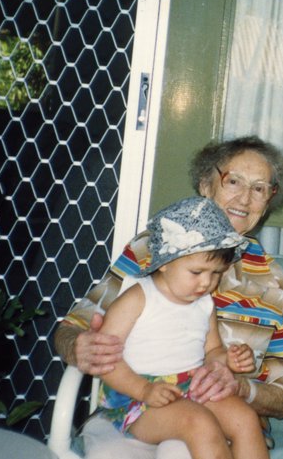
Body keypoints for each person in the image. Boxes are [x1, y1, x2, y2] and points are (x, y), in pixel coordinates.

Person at [54, 136, 283, 459]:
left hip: (223, 424)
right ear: (206, 185)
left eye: (259, 188)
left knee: (183, 448)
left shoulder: (277, 286)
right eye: (233, 181)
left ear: (268, 200)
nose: (245, 199)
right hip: (138, 411)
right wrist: (79, 347)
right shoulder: (153, 249)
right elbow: (72, 327)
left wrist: (241, 386)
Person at [96, 196, 267, 459]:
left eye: (215, 274)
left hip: (191, 387)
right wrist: (144, 390)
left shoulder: (204, 303)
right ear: (164, 263)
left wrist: (229, 359)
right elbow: (105, 360)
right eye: (197, 272)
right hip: (138, 399)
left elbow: (212, 352)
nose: (206, 283)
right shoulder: (137, 298)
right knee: (199, 424)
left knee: (245, 418)